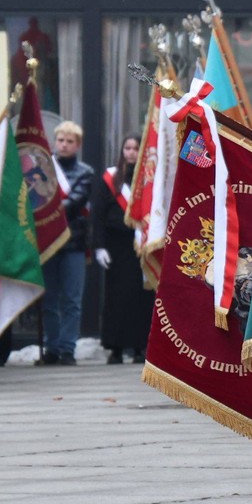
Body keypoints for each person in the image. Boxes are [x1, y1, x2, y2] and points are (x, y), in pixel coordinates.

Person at [41, 121, 96, 366]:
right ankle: (51, 347)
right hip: (47, 242)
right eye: (60, 140)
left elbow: (74, 202)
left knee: (72, 299)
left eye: (69, 141)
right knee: (48, 298)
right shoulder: (43, 167)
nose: (63, 145)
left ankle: (67, 349)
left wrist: (46, 211)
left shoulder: (85, 172)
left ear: (78, 145)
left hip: (73, 242)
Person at [94, 136, 152, 365]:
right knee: (116, 298)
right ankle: (115, 348)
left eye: (135, 148)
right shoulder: (109, 178)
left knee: (141, 298)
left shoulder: (149, 178)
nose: (131, 152)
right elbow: (97, 216)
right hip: (115, 246)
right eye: (127, 148)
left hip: (140, 245)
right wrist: (98, 246)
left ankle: (140, 347)